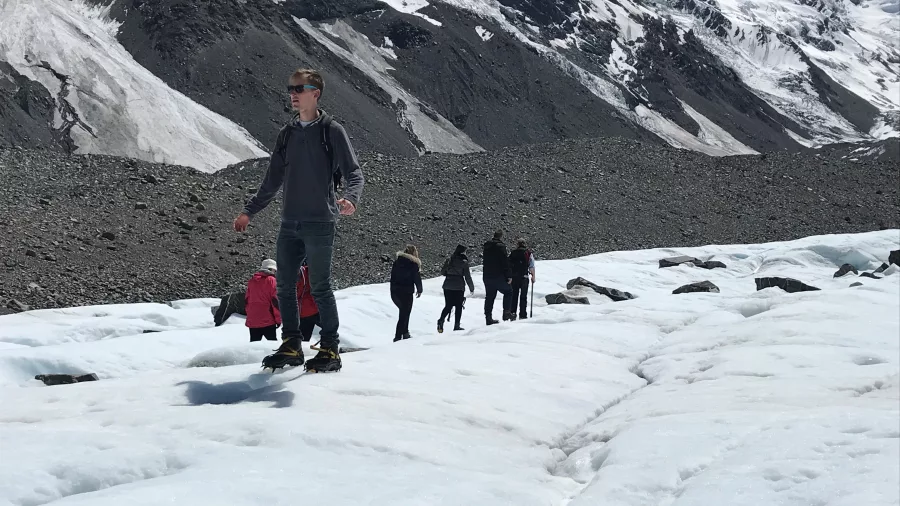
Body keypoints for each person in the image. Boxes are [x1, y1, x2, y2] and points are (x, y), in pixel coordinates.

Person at [233, 68, 364, 372]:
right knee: (284, 286)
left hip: (321, 221)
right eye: (290, 88)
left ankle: (330, 348)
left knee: (319, 287)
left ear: (315, 93)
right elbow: (272, 180)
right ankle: (292, 344)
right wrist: (249, 210)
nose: (292, 93)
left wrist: (351, 199)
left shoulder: (332, 130)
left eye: (299, 88)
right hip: (290, 222)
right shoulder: (287, 134)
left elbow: (353, 172)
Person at [437, 244, 475, 333]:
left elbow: (442, 272)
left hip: (447, 285)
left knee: (448, 305)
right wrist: (471, 288)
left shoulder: (449, 260)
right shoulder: (464, 262)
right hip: (459, 286)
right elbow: (467, 276)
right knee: (458, 306)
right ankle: (456, 325)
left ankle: (441, 320)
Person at [389, 244, 423, 342]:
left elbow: (392, 277)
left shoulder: (397, 262)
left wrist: (393, 290)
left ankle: (405, 333)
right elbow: (416, 278)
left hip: (395, 291)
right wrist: (419, 290)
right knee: (405, 313)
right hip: (407, 292)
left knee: (403, 312)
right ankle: (398, 336)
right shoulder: (413, 264)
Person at [244, 259, 281, 342]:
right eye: (275, 270)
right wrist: (278, 320)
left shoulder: (252, 281)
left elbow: (246, 301)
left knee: (254, 345)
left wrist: (250, 314)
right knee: (272, 345)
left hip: (253, 320)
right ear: (271, 269)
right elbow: (275, 302)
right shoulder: (272, 281)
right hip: (268, 320)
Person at [482, 229, 513, 325]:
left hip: (487, 275)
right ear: (501, 236)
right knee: (508, 291)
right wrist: (508, 276)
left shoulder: (486, 246)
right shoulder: (501, 246)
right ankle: (506, 313)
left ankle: (488, 317)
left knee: (489, 297)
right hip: (498, 275)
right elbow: (504, 262)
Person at [508, 238, 536, 320]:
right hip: (524, 277)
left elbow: (509, 265)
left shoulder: (513, 253)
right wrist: (533, 276)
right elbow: (531, 266)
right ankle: (523, 314)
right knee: (523, 297)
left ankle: (513, 313)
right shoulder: (528, 253)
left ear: (518, 244)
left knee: (514, 296)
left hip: (514, 277)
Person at [296, 260, 321, 341]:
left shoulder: (299, 274)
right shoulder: (316, 273)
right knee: (329, 327)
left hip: (303, 310)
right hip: (316, 307)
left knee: (304, 336)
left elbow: (296, 293)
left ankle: (302, 349)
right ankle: (329, 344)